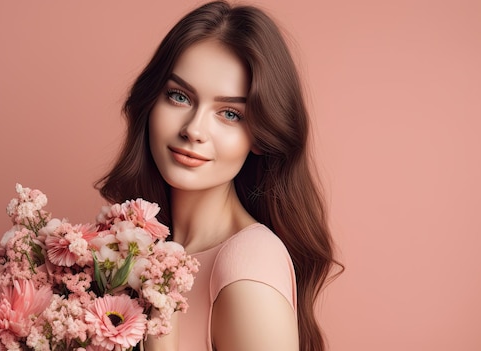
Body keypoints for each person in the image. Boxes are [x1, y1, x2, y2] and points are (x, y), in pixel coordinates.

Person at [96, 1, 342, 350]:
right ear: (151, 101)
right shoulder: (137, 253)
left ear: (260, 136)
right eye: (179, 96)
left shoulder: (247, 266)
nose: (194, 130)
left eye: (229, 113)